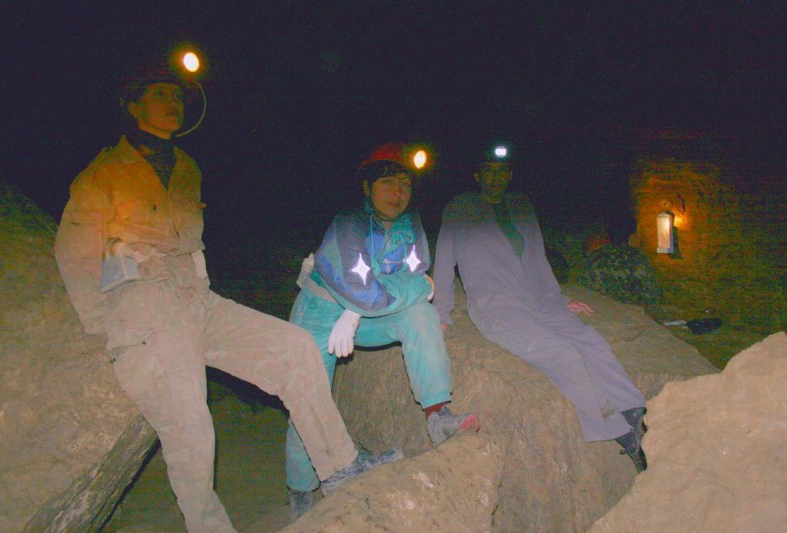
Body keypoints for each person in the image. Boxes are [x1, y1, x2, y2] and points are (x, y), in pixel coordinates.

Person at [54, 59, 400, 533]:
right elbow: (73, 250)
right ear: (133, 106)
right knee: (190, 422)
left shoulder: (186, 167)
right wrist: (104, 325)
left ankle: (340, 468)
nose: (173, 103)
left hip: (197, 297)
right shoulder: (104, 171)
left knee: (295, 348)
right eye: (160, 94)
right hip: (144, 302)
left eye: (177, 96)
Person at [285, 143, 481, 517]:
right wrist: (419, 286)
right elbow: (376, 290)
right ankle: (300, 489)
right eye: (387, 182)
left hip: (363, 317)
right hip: (320, 313)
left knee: (421, 314)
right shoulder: (349, 223)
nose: (397, 192)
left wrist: (370, 302)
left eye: (405, 183)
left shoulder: (410, 223)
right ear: (366, 187)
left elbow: (410, 272)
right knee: (307, 395)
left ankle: (437, 414)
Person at [432, 142, 648, 473]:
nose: (496, 178)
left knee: (590, 340)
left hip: (538, 297)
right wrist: (442, 313)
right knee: (561, 353)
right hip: (497, 303)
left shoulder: (521, 205)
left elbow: (537, 258)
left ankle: (633, 411)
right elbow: (445, 262)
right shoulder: (460, 208)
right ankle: (618, 431)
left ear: (510, 175)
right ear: (477, 175)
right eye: (489, 171)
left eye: (502, 171)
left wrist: (559, 298)